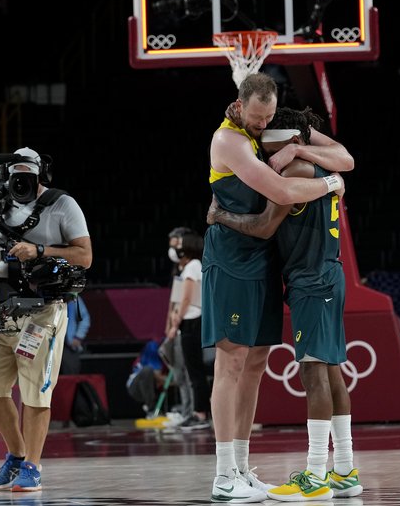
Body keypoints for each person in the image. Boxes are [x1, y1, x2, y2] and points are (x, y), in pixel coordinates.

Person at [202, 72, 351, 503]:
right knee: (229, 365)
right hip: (231, 262)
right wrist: (329, 183)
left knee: (255, 366)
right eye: (256, 118)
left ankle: (244, 468)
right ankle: (224, 474)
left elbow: (346, 156)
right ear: (239, 105)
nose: (262, 125)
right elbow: (283, 191)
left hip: (266, 263)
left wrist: (303, 146)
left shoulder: (272, 127)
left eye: (268, 118)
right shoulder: (228, 139)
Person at [0, 147, 92, 491]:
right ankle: (17, 454)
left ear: (39, 175)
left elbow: (85, 256)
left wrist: (40, 251)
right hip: (0, 310)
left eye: (27, 176)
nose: (20, 183)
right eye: (15, 176)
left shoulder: (62, 204)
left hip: (42, 311)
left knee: (36, 393)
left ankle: (33, 467)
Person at [168, 230, 211, 431]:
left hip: (192, 321)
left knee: (195, 372)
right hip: (191, 321)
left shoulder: (193, 266)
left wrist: (176, 321)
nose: (178, 249)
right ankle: (197, 412)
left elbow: (185, 298)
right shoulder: (189, 267)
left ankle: (200, 414)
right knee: (194, 371)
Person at [127, 339, 168, 418]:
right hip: (137, 387)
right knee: (147, 371)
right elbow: (156, 374)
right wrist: (171, 380)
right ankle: (151, 410)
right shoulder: (153, 347)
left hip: (155, 388)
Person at [59, 295, 90, 375]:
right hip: (50, 343)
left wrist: (78, 337)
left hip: (68, 345)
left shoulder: (74, 298)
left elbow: (85, 318)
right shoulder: (45, 294)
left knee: (70, 372)